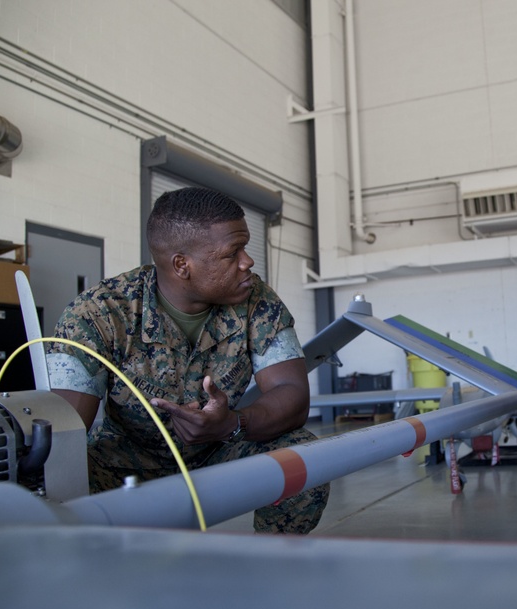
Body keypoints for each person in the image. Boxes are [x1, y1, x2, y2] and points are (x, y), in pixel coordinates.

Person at [46, 187, 329, 534]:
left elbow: (292, 393)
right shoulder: (100, 312)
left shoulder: (257, 301)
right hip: (120, 466)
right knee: (51, 488)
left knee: (303, 458)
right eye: (232, 253)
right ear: (182, 265)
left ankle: (271, 568)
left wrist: (232, 424)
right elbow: (64, 430)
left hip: (216, 457)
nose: (247, 262)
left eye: (245, 247)